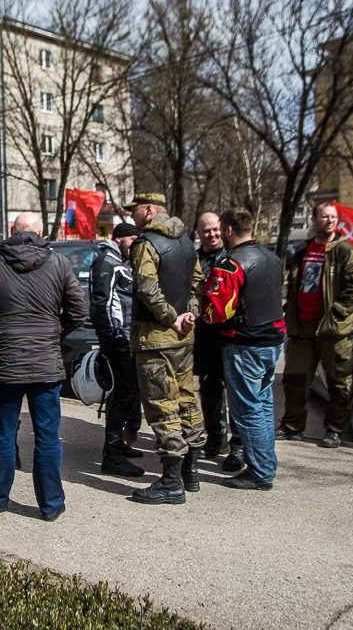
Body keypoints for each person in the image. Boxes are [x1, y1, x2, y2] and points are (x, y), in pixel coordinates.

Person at [0, 212, 87, 522]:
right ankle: (51, 504)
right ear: (42, 232)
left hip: (5, 362)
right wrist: (55, 332)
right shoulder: (58, 262)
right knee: (47, 436)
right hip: (45, 363)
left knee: (1, 434)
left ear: (11, 231)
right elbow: (79, 310)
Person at [124, 193, 206, 505]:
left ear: (148, 209)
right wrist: (189, 314)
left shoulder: (147, 243)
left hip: (156, 339)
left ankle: (171, 482)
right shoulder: (186, 242)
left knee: (162, 405)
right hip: (184, 337)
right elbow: (198, 281)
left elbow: (146, 287)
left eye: (135, 211)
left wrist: (172, 319)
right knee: (187, 399)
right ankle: (191, 472)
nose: (132, 218)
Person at [203, 208, 286, 490]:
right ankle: (266, 465)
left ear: (227, 230)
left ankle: (260, 472)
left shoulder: (231, 264)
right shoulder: (271, 257)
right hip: (272, 340)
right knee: (263, 406)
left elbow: (217, 312)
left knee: (248, 409)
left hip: (245, 344)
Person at [279, 202, 353, 449]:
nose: (329, 221)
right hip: (302, 329)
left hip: (333, 330)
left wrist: (337, 312)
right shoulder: (303, 250)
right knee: (294, 379)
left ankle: (334, 430)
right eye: (324, 217)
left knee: (338, 382)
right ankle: (292, 427)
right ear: (314, 220)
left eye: (333, 217)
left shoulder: (345, 252)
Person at [88, 222, 145, 477]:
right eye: (133, 240)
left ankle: (117, 446)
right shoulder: (107, 262)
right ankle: (112, 455)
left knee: (126, 392)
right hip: (118, 339)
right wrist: (110, 339)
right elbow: (101, 302)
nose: (136, 245)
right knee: (124, 392)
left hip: (127, 337)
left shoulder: (121, 261)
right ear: (120, 239)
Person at [193, 211, 232, 462]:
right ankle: (215, 438)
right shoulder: (193, 259)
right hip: (204, 336)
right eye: (207, 231)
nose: (212, 234)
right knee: (209, 390)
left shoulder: (232, 256)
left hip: (231, 334)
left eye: (216, 229)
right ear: (199, 233)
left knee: (236, 391)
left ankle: (237, 443)